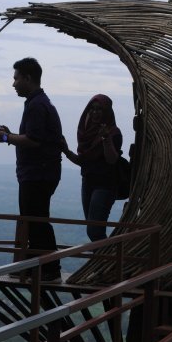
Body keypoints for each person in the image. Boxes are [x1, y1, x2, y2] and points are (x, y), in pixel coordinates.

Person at [0, 57, 62, 282]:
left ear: (28, 78)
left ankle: (49, 269)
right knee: (33, 219)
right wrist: (12, 135)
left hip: (38, 174)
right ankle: (35, 266)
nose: (13, 84)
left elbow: (34, 140)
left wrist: (5, 137)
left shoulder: (36, 105)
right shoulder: (38, 103)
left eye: (16, 78)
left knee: (36, 220)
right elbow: (33, 138)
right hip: (40, 172)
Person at [61, 94, 123, 241]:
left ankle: (110, 261)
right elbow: (84, 162)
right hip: (88, 182)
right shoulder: (87, 133)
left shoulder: (114, 133)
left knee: (95, 231)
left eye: (99, 109)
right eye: (92, 109)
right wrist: (66, 150)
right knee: (93, 230)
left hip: (105, 185)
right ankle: (108, 261)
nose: (95, 112)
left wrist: (106, 139)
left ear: (107, 111)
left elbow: (112, 159)